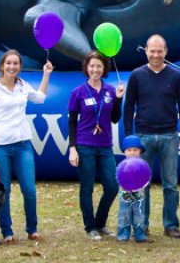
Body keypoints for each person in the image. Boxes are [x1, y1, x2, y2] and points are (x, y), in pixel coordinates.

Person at [0, 49, 53, 243]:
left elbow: (40, 98)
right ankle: (7, 231)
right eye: (8, 63)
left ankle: (32, 229)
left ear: (20, 67)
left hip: (23, 145)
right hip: (0, 146)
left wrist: (46, 74)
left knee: (29, 189)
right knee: (4, 192)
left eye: (16, 63)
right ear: (2, 66)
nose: (12, 67)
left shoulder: (22, 85)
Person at [123, 34, 180, 239]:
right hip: (143, 137)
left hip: (169, 135)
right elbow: (129, 107)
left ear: (166, 52)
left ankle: (171, 225)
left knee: (171, 184)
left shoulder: (176, 76)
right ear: (146, 51)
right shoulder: (136, 75)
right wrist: (129, 139)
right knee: (142, 184)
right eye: (152, 51)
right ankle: (142, 225)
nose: (156, 55)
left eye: (160, 51)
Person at [68, 50, 124, 241]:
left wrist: (118, 99)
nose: (95, 69)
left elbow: (115, 118)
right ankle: (90, 226)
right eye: (92, 66)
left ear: (104, 68)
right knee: (87, 187)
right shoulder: (78, 92)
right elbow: (72, 122)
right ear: (86, 68)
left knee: (112, 186)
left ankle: (100, 222)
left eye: (98, 66)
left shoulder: (109, 90)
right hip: (85, 146)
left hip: (105, 146)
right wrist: (73, 148)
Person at [116, 135, 148, 243]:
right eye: (129, 150)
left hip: (139, 195)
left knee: (139, 215)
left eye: (135, 150)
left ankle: (140, 235)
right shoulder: (122, 165)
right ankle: (123, 235)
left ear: (140, 151)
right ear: (124, 151)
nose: (132, 153)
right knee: (124, 214)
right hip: (125, 194)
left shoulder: (142, 165)